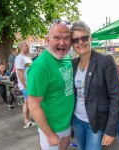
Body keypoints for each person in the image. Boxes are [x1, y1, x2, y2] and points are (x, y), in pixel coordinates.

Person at [71, 20, 119, 150]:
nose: (80, 42)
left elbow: (115, 97)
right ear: (72, 44)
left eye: (83, 37)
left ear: (90, 38)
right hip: (77, 121)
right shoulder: (72, 64)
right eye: (75, 40)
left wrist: (111, 130)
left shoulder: (105, 61)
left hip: (97, 123)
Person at [27, 20, 74, 150]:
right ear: (48, 40)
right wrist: (49, 134)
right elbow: (33, 105)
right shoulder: (40, 67)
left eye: (66, 38)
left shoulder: (66, 58)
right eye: (57, 38)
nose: (62, 42)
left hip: (66, 123)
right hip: (52, 127)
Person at [15, 41, 35, 128]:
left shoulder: (27, 57)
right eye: (27, 46)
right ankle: (34, 121)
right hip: (26, 86)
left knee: (27, 103)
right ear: (21, 47)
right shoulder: (19, 58)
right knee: (33, 104)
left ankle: (26, 121)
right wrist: (25, 86)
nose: (28, 47)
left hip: (30, 85)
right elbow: (20, 73)